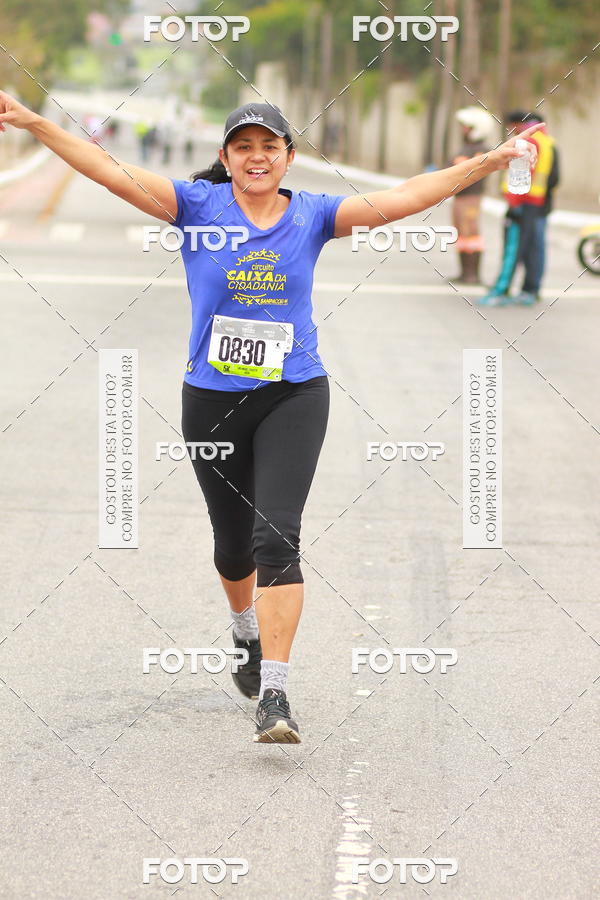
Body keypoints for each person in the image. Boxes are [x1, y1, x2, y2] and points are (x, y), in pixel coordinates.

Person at [0, 92, 540, 744]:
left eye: (270, 146)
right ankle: (244, 632)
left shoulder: (312, 215)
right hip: (212, 400)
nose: (257, 157)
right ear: (226, 159)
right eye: (244, 147)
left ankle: (276, 694)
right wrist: (32, 121)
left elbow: (406, 197)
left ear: (288, 157)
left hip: (294, 391)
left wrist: (492, 159)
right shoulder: (194, 207)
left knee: (276, 536)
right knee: (233, 548)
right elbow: (105, 168)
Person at [479, 111, 559, 306]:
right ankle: (529, 290)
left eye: (510, 127)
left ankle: (501, 290)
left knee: (514, 248)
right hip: (536, 202)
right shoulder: (547, 141)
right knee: (532, 247)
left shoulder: (531, 142)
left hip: (524, 203)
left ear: (517, 124)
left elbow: (524, 173)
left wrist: (514, 202)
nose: (510, 131)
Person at [448, 106, 495, 285]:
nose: (463, 130)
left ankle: (472, 274)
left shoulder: (481, 149)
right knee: (461, 234)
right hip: (460, 197)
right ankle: (464, 272)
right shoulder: (466, 148)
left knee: (471, 233)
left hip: (471, 197)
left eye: (467, 126)